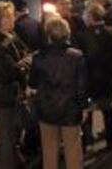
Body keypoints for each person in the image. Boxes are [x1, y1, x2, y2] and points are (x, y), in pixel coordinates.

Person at [29, 17, 88, 169]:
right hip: (70, 108)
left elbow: (33, 84)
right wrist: (84, 107)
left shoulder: (38, 57)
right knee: (73, 149)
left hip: (46, 108)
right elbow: (81, 87)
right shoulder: (77, 56)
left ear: (48, 35)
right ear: (67, 33)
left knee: (49, 150)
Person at [0, 1, 31, 169]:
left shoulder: (11, 36)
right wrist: (22, 64)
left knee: (10, 133)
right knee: (6, 136)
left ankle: (15, 161)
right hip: (1, 94)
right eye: (8, 16)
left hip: (9, 92)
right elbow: (5, 69)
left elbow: (25, 53)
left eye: (12, 15)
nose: (12, 19)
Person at [79, 4, 112, 151]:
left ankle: (88, 143)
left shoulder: (82, 35)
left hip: (90, 80)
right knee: (108, 110)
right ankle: (111, 141)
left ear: (89, 17)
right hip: (107, 78)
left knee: (87, 112)